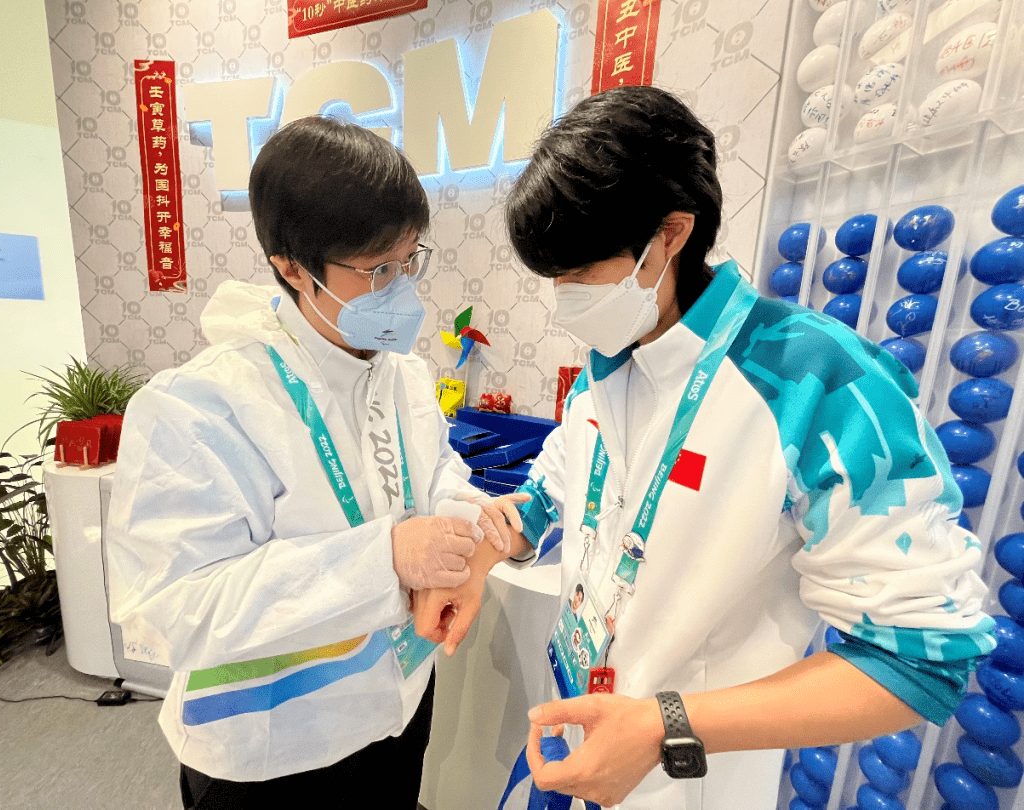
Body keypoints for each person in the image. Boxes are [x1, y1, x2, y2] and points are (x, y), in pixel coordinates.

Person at [414, 86, 995, 810]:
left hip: (685, 779)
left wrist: (665, 727)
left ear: (670, 235)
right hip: (567, 742)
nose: (565, 298)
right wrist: (486, 552)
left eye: (581, 272)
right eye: (555, 278)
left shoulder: (815, 381)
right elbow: (552, 489)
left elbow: (921, 660)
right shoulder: (608, 364)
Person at [104, 116, 524, 809]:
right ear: (292, 266)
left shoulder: (403, 373)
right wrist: (387, 559)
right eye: (378, 270)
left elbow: (433, 476)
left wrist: (464, 521)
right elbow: (175, 609)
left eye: (411, 260)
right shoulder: (199, 407)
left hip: (398, 707)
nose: (402, 288)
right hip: (273, 748)